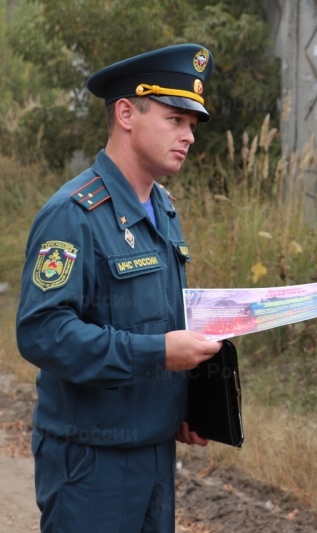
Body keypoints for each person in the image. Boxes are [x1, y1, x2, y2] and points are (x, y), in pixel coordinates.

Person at [16, 43, 224, 532]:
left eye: (193, 125)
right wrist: (157, 354)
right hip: (91, 460)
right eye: (176, 119)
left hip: (153, 448)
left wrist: (182, 404)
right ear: (127, 113)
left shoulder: (163, 207)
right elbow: (42, 333)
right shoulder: (73, 214)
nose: (189, 136)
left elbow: (158, 318)